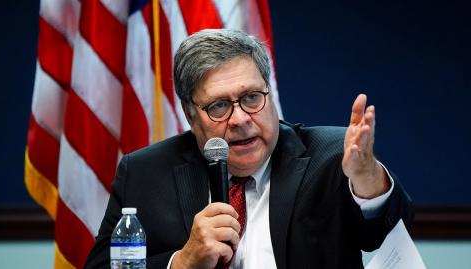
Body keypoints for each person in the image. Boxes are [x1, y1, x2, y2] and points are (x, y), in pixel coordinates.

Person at [85, 29, 413, 269]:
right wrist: (182, 262)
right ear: (190, 115)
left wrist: (368, 180)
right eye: (218, 106)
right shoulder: (145, 173)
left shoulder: (330, 156)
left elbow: (386, 232)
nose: (241, 119)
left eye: (252, 97)